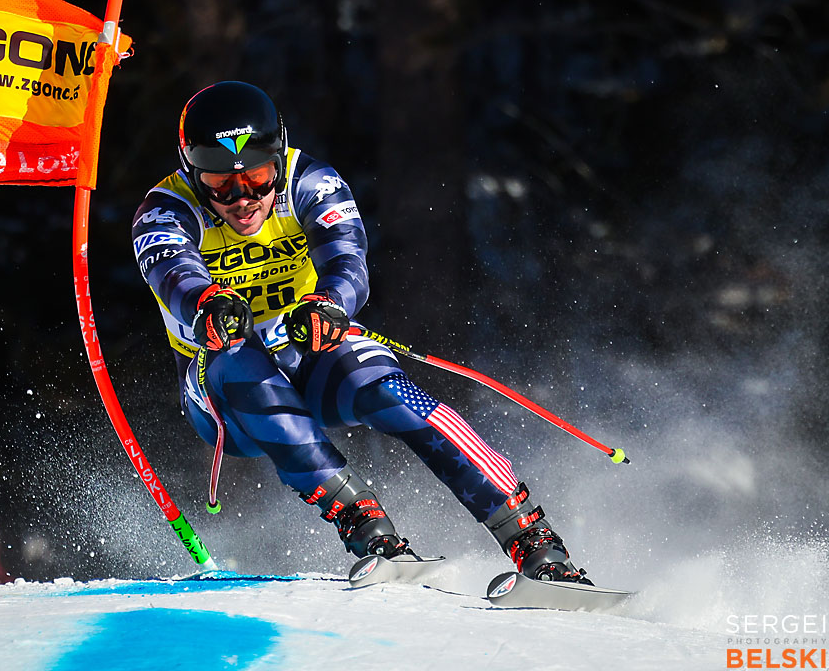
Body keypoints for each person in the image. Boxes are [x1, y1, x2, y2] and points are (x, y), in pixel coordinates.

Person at [131, 80, 590, 583]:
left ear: (279, 159)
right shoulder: (165, 209)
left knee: (388, 391)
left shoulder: (310, 182)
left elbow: (347, 258)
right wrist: (208, 304)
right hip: (223, 394)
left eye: (259, 178)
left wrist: (328, 306)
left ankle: (532, 538)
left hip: (306, 348)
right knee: (237, 356)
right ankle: (367, 527)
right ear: (192, 172)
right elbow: (173, 272)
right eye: (221, 185)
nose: (244, 199)